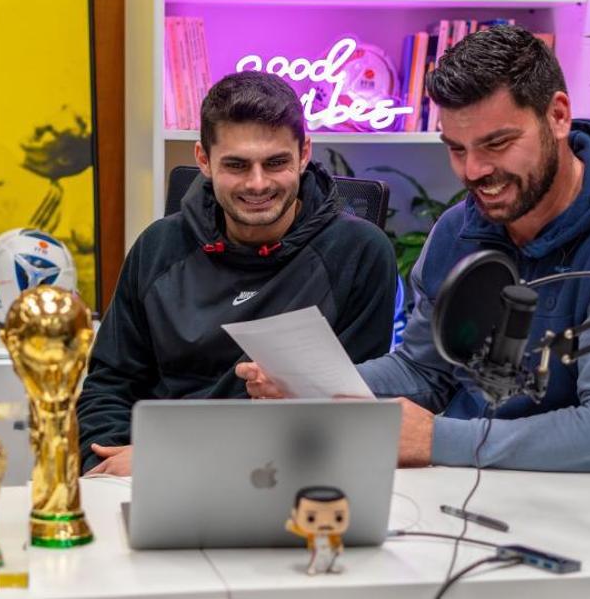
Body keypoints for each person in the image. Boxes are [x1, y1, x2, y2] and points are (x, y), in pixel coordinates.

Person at [239, 26, 590, 472]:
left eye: (497, 144)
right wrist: (312, 388)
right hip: (471, 485)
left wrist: (438, 439)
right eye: (457, 148)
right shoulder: (459, 230)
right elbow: (424, 371)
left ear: (557, 116)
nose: (474, 170)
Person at [77, 71, 398, 476]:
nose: (258, 183)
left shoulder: (360, 253)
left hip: (290, 476)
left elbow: (350, 418)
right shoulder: (158, 247)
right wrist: (105, 470)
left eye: (276, 162)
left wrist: (175, 461)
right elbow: (110, 385)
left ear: (304, 155)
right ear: (203, 161)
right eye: (237, 165)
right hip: (150, 477)